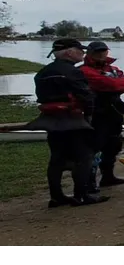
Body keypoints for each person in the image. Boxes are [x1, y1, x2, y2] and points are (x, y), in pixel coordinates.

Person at [26, 38, 108, 207]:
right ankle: (82, 195)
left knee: (56, 158)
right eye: (79, 50)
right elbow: (86, 96)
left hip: (51, 120)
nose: (83, 53)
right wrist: (89, 116)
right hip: (72, 118)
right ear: (69, 52)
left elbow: (41, 96)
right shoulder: (74, 72)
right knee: (84, 157)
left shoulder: (42, 72)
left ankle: (56, 197)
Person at [80, 41, 124, 191]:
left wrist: (118, 83)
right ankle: (90, 182)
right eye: (98, 52)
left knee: (114, 144)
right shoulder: (84, 70)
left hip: (114, 112)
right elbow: (107, 84)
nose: (101, 54)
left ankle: (108, 176)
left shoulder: (113, 69)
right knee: (95, 146)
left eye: (104, 51)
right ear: (89, 53)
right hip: (95, 113)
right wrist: (119, 83)